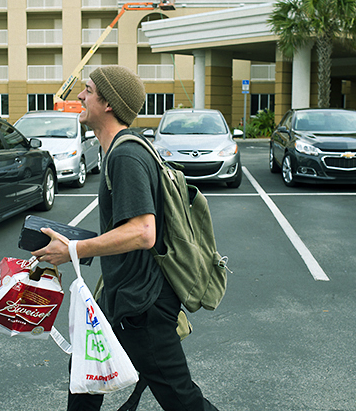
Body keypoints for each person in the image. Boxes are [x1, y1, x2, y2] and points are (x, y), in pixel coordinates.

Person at [32, 65, 219, 411]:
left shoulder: (126, 155)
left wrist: (73, 248)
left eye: (87, 89)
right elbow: (128, 230)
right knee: (84, 373)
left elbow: (142, 232)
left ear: (108, 104)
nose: (80, 96)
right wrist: (70, 244)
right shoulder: (119, 151)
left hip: (142, 305)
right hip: (123, 298)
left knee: (182, 400)